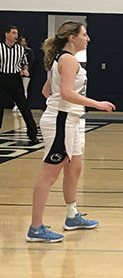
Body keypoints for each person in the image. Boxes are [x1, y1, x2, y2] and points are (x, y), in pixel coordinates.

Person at [26, 21, 116, 243]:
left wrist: (64, 107)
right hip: (61, 121)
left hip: (68, 119)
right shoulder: (67, 59)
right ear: (72, 37)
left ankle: (72, 216)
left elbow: (47, 90)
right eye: (84, 35)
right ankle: (35, 228)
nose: (88, 38)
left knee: (74, 168)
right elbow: (65, 93)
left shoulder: (65, 60)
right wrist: (96, 104)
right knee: (49, 174)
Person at [0, 26, 38, 144]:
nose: (16, 35)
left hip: (15, 78)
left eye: (17, 33)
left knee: (24, 106)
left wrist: (25, 70)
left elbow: (24, 63)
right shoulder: (0, 48)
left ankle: (33, 134)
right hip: (2, 77)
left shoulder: (20, 49)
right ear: (7, 34)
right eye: (13, 33)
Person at [13, 36, 35, 113]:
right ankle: (16, 105)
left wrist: (25, 70)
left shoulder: (29, 51)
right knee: (16, 90)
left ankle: (22, 106)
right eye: (21, 41)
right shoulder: (15, 50)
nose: (23, 43)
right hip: (16, 72)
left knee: (24, 89)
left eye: (24, 41)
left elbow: (31, 62)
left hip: (26, 73)